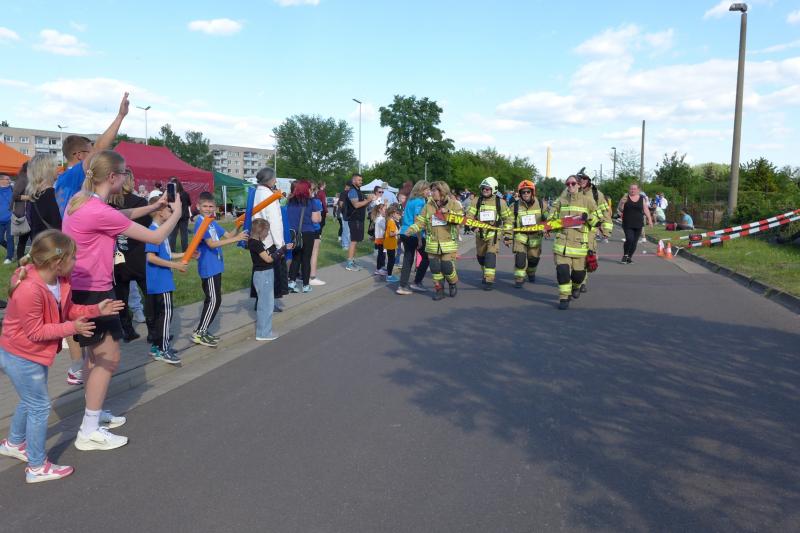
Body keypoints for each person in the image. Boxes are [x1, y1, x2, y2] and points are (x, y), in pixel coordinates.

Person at [63, 149, 182, 451]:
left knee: (94, 356)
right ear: (114, 177)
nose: (128, 177)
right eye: (125, 172)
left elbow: (118, 218)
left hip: (81, 287)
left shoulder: (82, 199)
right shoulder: (97, 209)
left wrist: (153, 206)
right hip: (95, 290)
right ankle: (89, 430)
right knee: (109, 357)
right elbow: (155, 238)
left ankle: (94, 411)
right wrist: (177, 214)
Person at [0, 230, 124, 482]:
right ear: (58, 262)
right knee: (39, 406)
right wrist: (72, 328)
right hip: (20, 355)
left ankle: (13, 443)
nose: (76, 261)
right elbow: (36, 332)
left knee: (30, 400)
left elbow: (67, 310)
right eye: (73, 257)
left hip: (31, 354)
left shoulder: (60, 281)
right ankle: (36, 467)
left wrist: (95, 310)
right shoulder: (29, 289)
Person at [25, 154, 85, 386]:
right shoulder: (53, 196)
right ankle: (77, 366)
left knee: (52, 312)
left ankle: (51, 364)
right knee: (66, 311)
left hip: (42, 258)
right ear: (47, 170)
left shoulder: (33, 198)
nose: (57, 170)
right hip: (57, 258)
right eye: (54, 167)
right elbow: (62, 227)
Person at [55, 93, 129, 216]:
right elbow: (99, 148)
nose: (94, 157)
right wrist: (120, 116)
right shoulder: (75, 174)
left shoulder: (62, 178)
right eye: (89, 153)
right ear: (79, 155)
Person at [192, 192, 247, 348]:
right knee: (214, 300)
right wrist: (237, 239)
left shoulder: (211, 222)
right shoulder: (200, 223)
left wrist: (238, 227)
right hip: (208, 267)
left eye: (211, 206)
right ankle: (199, 332)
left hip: (216, 266)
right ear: (198, 206)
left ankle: (202, 330)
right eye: (205, 206)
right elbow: (211, 244)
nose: (208, 209)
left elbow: (228, 235)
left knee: (214, 299)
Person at [145, 195, 190, 364]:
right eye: (169, 209)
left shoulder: (161, 231)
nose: (171, 212)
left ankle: (157, 347)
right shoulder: (153, 231)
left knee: (160, 316)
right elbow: (151, 257)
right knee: (166, 315)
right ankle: (164, 349)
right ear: (160, 212)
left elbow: (166, 255)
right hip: (161, 282)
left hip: (162, 281)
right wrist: (175, 266)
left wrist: (185, 255)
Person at [109, 171, 151, 342]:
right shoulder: (140, 203)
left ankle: (127, 330)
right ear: (131, 181)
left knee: (121, 298)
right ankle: (154, 331)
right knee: (149, 294)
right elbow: (148, 227)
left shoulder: (109, 203)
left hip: (117, 256)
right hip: (138, 255)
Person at [405, 181, 463, 301]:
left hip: (448, 243)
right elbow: (420, 221)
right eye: (431, 190)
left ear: (442, 191)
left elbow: (460, 220)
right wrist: (411, 229)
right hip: (432, 244)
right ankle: (439, 290)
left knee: (447, 267)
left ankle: (452, 282)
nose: (432, 193)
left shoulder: (454, 204)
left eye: (434, 190)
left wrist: (448, 213)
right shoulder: (428, 206)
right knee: (435, 269)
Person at [551, 175, 599, 310]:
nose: (570, 186)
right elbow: (551, 217)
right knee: (562, 271)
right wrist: (551, 224)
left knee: (578, 276)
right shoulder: (560, 200)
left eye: (573, 183)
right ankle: (564, 297)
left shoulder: (588, 201)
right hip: (562, 245)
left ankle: (576, 286)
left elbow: (597, 221)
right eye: (568, 184)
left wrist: (588, 217)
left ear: (579, 185)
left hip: (580, 246)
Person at [466, 177, 512, 290]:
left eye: (487, 189)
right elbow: (469, 217)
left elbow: (508, 219)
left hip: (494, 235)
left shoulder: (500, 202)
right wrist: (473, 227)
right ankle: (485, 273)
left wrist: (507, 236)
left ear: (494, 189)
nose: (485, 190)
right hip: (480, 235)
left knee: (490, 256)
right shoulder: (476, 201)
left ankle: (489, 280)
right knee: (481, 258)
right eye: (483, 188)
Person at [504, 180, 546, 288]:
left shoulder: (541, 204)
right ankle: (519, 278)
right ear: (520, 193)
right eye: (523, 192)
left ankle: (531, 272)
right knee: (520, 259)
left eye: (528, 192)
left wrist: (547, 226)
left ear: (532, 192)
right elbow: (509, 222)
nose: (526, 194)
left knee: (533, 259)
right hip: (520, 237)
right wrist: (508, 236)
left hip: (535, 237)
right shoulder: (515, 206)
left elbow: (549, 218)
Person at [577, 171, 613, 293]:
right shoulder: (571, 191)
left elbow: (605, 212)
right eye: (580, 178)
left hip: (590, 230)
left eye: (584, 178)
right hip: (573, 229)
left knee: (586, 256)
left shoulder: (596, 194)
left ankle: (582, 281)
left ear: (589, 180)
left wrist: (606, 229)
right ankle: (574, 279)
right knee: (573, 256)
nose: (582, 180)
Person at [396, 180, 431, 295]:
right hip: (413, 233)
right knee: (426, 257)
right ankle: (414, 283)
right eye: (427, 189)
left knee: (408, 258)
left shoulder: (411, 200)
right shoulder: (420, 201)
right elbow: (417, 220)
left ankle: (404, 284)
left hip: (404, 232)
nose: (429, 192)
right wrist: (420, 238)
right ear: (421, 190)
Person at [287, 180, 322, 292]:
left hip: (294, 233)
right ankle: (306, 285)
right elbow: (316, 219)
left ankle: (292, 282)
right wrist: (319, 215)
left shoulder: (291, 201)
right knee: (306, 259)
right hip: (308, 232)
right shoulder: (311, 202)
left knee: (295, 257)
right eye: (309, 188)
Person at [248, 219, 279, 341]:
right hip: (263, 274)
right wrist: (281, 251)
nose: (268, 233)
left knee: (266, 303)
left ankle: (265, 331)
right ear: (261, 231)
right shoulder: (256, 244)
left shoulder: (255, 242)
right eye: (267, 231)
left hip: (264, 274)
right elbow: (268, 259)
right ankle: (263, 333)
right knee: (266, 305)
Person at [616, 182, 654, 264]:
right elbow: (620, 209)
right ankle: (625, 255)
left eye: (634, 189)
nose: (632, 190)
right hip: (627, 223)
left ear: (638, 190)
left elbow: (646, 209)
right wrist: (622, 203)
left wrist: (650, 220)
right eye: (631, 189)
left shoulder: (642, 198)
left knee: (634, 241)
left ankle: (629, 257)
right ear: (629, 190)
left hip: (638, 223)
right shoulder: (625, 197)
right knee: (629, 239)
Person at [344, 174, 373, 271]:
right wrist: (368, 200)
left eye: (361, 180)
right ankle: (349, 264)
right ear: (353, 181)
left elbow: (363, 204)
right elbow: (356, 205)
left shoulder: (359, 191)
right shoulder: (352, 191)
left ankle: (352, 261)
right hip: (354, 219)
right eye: (359, 180)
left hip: (359, 219)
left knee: (356, 241)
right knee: (353, 241)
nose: (361, 181)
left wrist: (369, 201)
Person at [11, 162, 31, 262]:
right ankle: (20, 263)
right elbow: (14, 196)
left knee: (33, 240)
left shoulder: (29, 178)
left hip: (30, 213)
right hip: (24, 214)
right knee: (22, 241)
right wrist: (29, 197)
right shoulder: (22, 179)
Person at [308, 182, 326, 286]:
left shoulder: (296, 201)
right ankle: (312, 277)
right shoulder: (316, 202)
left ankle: (301, 275)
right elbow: (318, 219)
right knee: (314, 253)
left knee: (303, 255)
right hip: (314, 229)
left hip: (301, 230)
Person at [168, 177, 192, 252]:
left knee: (173, 235)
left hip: (175, 216)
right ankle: (185, 250)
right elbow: (189, 203)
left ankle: (172, 251)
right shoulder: (185, 194)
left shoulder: (171, 195)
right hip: (184, 216)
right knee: (184, 234)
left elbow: (169, 206)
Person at [384, 204, 401, 283]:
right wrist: (398, 232)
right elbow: (391, 234)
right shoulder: (391, 222)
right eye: (396, 213)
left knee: (391, 259)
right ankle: (389, 276)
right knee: (391, 260)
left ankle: (389, 274)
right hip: (390, 244)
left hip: (391, 243)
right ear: (392, 214)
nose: (398, 215)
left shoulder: (391, 221)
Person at [0, 174, 15, 264]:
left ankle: (10, 257)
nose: (9, 180)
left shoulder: (13, 189)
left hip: (10, 219)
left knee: (10, 238)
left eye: (9, 179)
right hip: (0, 220)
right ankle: (12, 250)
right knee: (0, 239)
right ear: (1, 180)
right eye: (7, 179)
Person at [372, 203, 388, 276]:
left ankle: (381, 267)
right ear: (380, 210)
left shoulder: (381, 218)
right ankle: (378, 269)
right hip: (380, 239)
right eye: (385, 209)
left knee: (383, 254)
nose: (386, 211)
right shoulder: (380, 219)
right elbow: (386, 228)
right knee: (381, 254)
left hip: (381, 239)